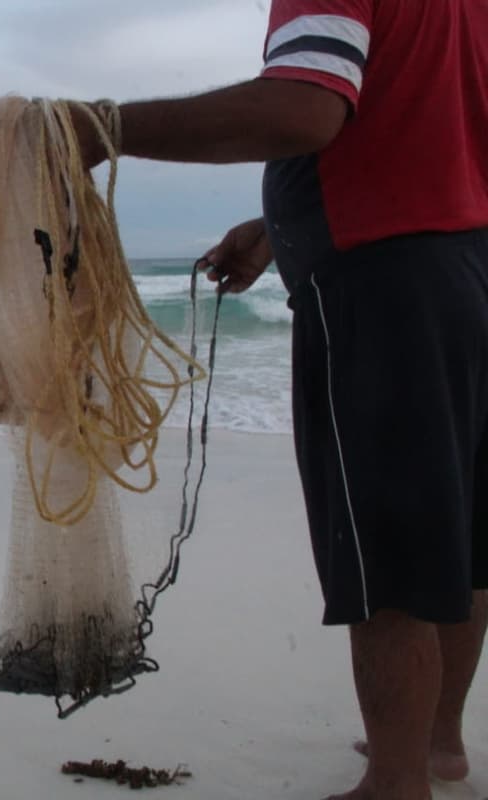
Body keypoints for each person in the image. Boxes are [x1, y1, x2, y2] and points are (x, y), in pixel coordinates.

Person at [70, 2, 488, 798]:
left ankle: (396, 785)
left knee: (387, 552)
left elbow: (302, 108)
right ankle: (436, 746)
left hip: (386, 292)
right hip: (471, 269)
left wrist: (102, 128)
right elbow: (434, 130)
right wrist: (280, 222)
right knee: (458, 533)